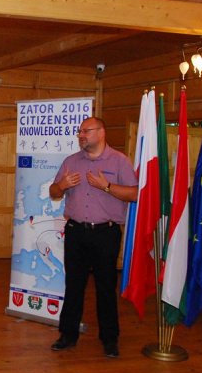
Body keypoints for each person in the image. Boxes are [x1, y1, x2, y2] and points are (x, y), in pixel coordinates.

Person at [48, 117, 138, 358]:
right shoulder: (71, 161)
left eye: (86, 131)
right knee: (74, 285)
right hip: (76, 231)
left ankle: (109, 339)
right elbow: (53, 192)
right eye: (79, 131)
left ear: (101, 132)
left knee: (105, 287)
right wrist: (62, 185)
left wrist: (106, 186)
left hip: (105, 233)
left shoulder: (119, 161)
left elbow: (135, 194)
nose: (81, 135)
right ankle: (67, 335)